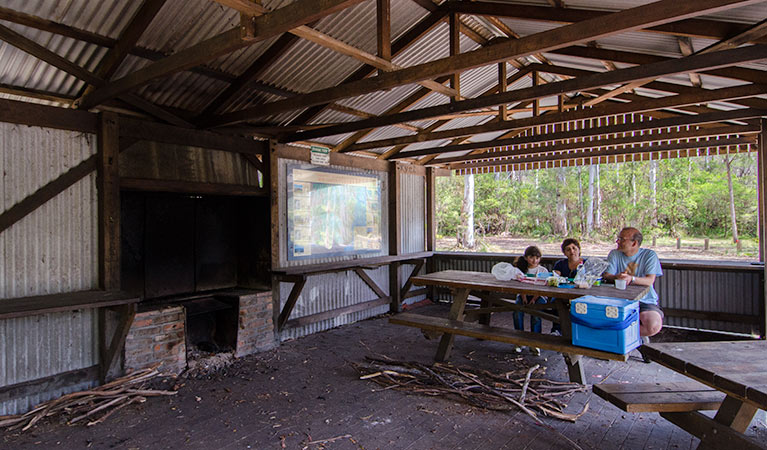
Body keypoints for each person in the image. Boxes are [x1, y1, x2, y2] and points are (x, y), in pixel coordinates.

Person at [602, 227, 664, 340]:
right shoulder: (614, 254)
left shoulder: (649, 255)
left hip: (644, 300)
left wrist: (631, 279)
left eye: (622, 239)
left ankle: (618, 335)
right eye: (618, 238)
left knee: (652, 326)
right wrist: (617, 277)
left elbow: (650, 280)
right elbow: (607, 275)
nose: (618, 242)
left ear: (634, 243)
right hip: (617, 300)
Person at [513, 246, 548, 355]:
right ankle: (520, 340)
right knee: (517, 312)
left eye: (537, 258)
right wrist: (523, 297)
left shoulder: (543, 270)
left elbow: (542, 287)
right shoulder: (521, 269)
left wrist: (534, 298)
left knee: (536, 315)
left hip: (539, 296)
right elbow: (520, 284)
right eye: (531, 257)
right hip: (523, 295)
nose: (534, 260)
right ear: (526, 257)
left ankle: (535, 342)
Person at [550, 238, 586, 335]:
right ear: (564, 252)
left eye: (574, 248)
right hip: (562, 293)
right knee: (557, 302)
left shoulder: (586, 264)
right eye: (568, 249)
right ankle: (557, 330)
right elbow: (556, 278)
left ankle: (579, 332)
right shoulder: (560, 264)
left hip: (581, 295)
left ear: (579, 250)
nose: (572, 251)